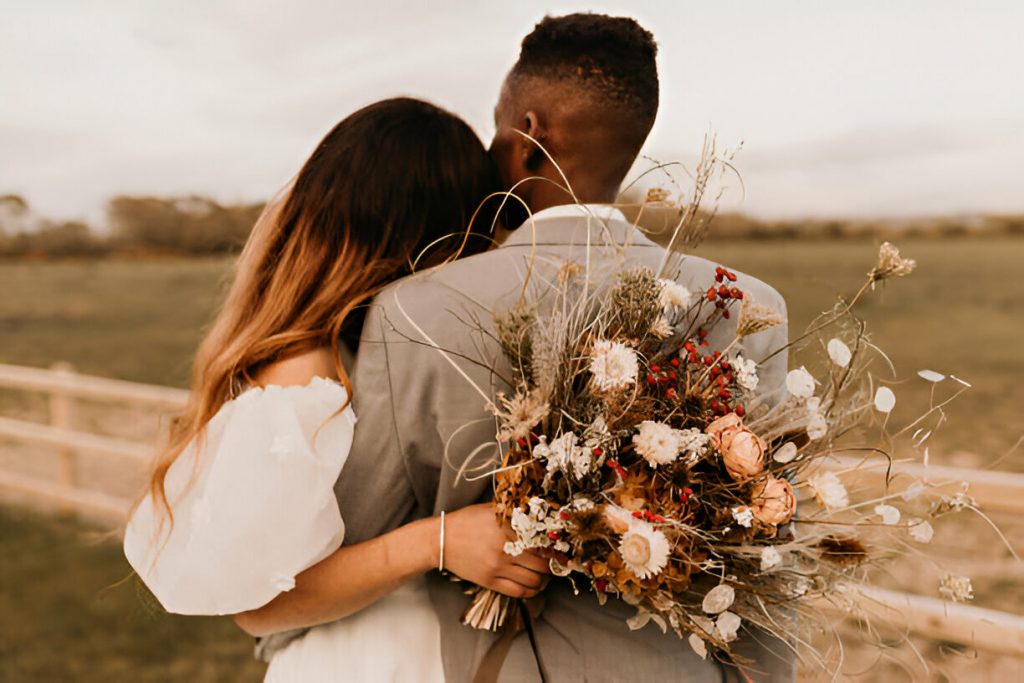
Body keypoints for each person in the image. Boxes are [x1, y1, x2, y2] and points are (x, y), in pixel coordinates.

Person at [257, 13, 796, 682]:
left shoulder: (414, 310)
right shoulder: (747, 309)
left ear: (528, 134)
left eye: (496, 123)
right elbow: (768, 548)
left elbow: (352, 542)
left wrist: (285, 632)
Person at [123, 97, 554, 682]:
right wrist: (436, 541)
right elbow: (258, 605)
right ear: (431, 233)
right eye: (479, 233)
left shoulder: (381, 351)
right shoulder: (307, 373)